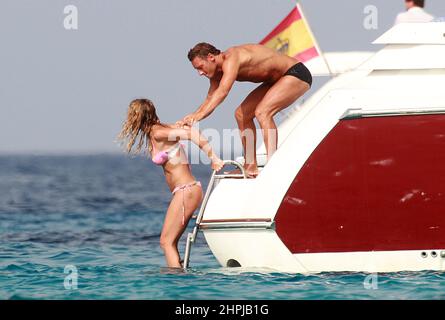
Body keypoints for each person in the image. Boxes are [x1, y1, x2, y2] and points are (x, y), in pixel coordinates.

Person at [178, 43, 312, 178]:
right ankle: (250, 166)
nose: (200, 73)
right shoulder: (216, 74)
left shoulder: (231, 58)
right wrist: (193, 117)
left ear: (210, 57)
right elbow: (210, 98)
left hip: (295, 73)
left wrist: (198, 116)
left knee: (262, 112)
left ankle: (272, 164)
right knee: (241, 115)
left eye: (200, 67)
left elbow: (223, 92)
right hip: (275, 81)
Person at [118, 98, 224, 268]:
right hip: (184, 192)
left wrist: (214, 158)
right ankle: (178, 276)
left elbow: (192, 134)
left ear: (138, 117)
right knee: (168, 242)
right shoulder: (158, 131)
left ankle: (175, 284)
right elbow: (186, 130)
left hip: (187, 191)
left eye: (131, 116)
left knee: (166, 242)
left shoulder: (158, 133)